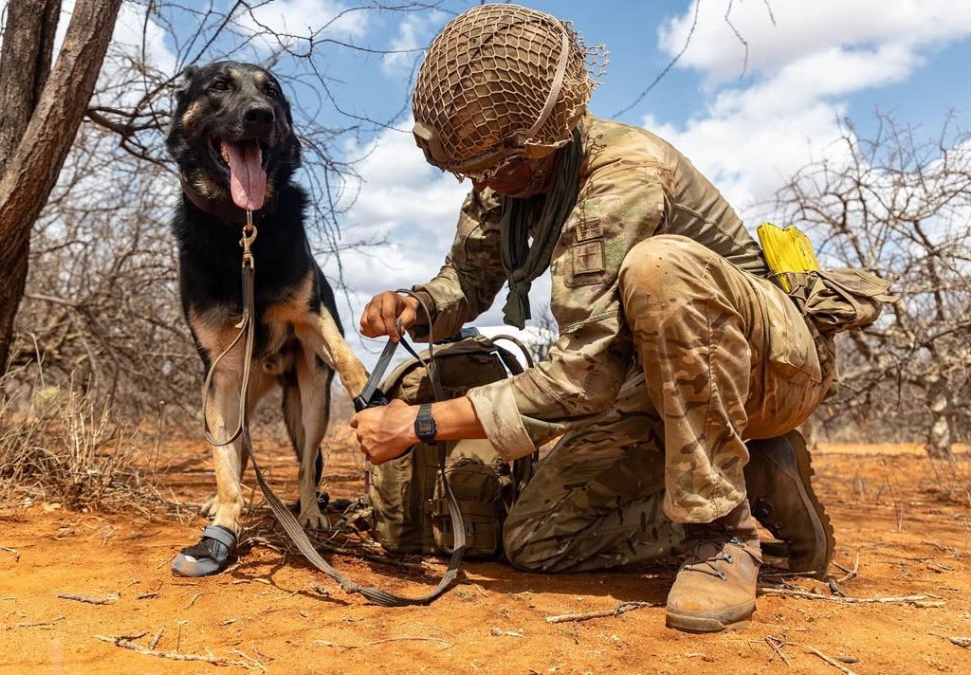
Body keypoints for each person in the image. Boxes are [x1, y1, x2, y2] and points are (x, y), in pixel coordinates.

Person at [350, 3, 836, 633]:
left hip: (771, 368)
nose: (474, 185)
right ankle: (759, 472)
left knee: (659, 269)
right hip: (654, 388)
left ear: (536, 144)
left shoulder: (621, 178)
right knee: (538, 541)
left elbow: (583, 374)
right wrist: (418, 305)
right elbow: (468, 278)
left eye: (484, 169)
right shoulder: (509, 181)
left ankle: (721, 531)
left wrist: (419, 424)